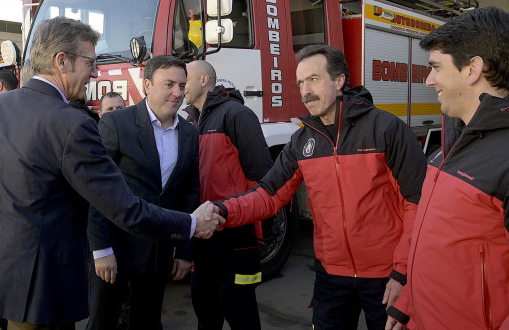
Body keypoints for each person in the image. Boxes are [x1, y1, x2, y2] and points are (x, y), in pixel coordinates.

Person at [0, 16, 223, 329]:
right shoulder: (71, 124)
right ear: (62, 61)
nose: (94, 72)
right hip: (37, 287)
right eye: (90, 62)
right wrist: (190, 223)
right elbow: (124, 207)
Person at [211, 45, 427, 330]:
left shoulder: (385, 129)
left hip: (386, 277)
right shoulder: (302, 141)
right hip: (330, 276)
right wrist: (223, 211)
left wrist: (402, 273)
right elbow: (267, 196)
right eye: (300, 83)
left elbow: (417, 204)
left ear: (339, 82)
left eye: (313, 79)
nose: (305, 91)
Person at [385, 7, 509, 329]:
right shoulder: (454, 140)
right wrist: (409, 303)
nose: (429, 81)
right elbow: (439, 246)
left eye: (436, 68)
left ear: (472, 69)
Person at [87, 55, 199, 330]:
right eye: (169, 84)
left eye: (182, 85)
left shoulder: (189, 132)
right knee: (103, 321)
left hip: (159, 251)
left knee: (147, 321)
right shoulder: (117, 124)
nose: (178, 92)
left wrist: (185, 250)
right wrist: (101, 249)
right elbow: (96, 190)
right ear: (147, 85)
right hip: (116, 248)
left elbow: (189, 193)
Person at [184, 60, 272, 330]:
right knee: (204, 304)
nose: (180, 86)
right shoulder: (189, 121)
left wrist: (259, 229)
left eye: (184, 79)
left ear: (202, 80)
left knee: (239, 307)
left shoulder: (236, 114)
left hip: (235, 231)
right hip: (202, 230)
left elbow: (262, 176)